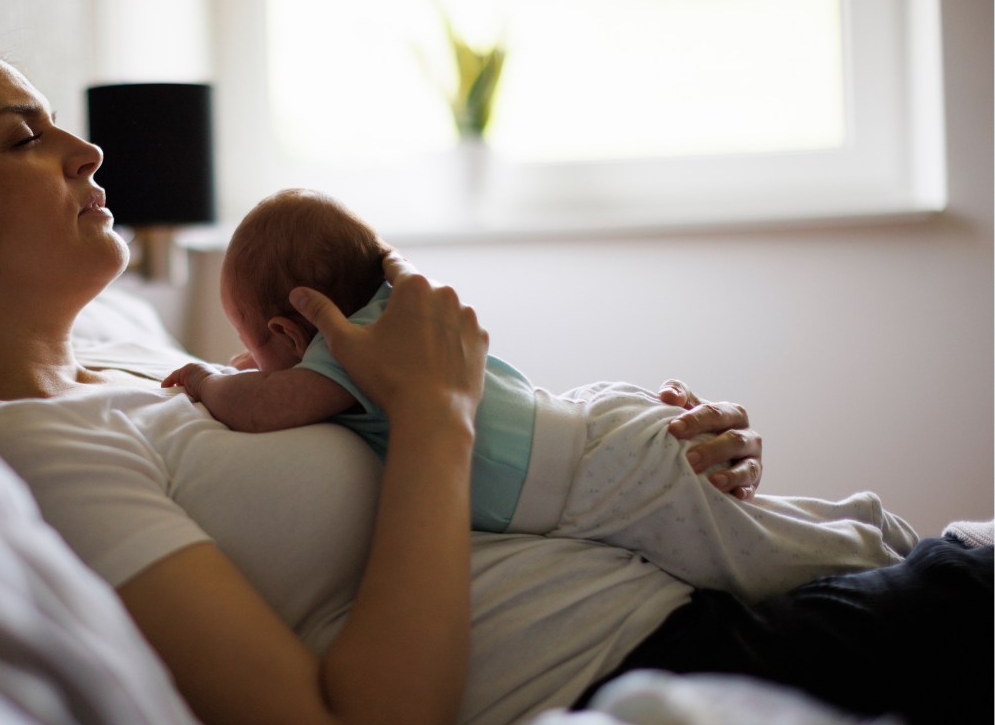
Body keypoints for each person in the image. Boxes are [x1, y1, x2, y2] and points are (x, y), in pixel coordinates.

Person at [0, 9, 992, 725]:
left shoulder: (138, 378)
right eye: (21, 139)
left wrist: (651, 453)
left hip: (704, 605)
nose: (87, 154)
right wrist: (438, 417)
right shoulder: (36, 455)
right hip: (650, 675)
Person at [161, 189, 919, 603]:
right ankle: (860, 525)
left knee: (752, 560)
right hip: (593, 425)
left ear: (285, 331)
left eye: (253, 345)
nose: (254, 365)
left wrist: (206, 380)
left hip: (594, 470)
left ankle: (875, 541)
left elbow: (261, 407)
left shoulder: (342, 354)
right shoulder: (396, 311)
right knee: (746, 532)